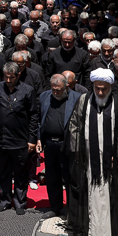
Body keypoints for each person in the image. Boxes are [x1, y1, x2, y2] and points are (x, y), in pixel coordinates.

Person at [64, 68, 118, 236]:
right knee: (89, 195)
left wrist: (117, 155)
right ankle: (89, 233)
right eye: (97, 88)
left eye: (104, 89)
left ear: (111, 87)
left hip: (110, 161)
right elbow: (74, 126)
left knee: (108, 196)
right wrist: (78, 152)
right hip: (88, 159)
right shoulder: (84, 101)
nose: (100, 92)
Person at [0, 62, 39, 212]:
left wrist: (32, 139)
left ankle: (20, 202)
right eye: (6, 77)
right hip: (1, 138)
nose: (8, 80)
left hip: (20, 139)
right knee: (4, 171)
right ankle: (5, 200)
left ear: (18, 75)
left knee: (20, 172)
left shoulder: (28, 90)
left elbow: (33, 116)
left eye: (11, 77)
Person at [38, 74, 79, 216]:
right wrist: (39, 139)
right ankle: (55, 207)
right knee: (52, 177)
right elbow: (39, 119)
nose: (55, 92)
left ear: (67, 87)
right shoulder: (45, 96)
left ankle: (72, 209)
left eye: (59, 90)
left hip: (68, 144)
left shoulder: (77, 98)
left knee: (70, 177)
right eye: (53, 89)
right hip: (50, 144)